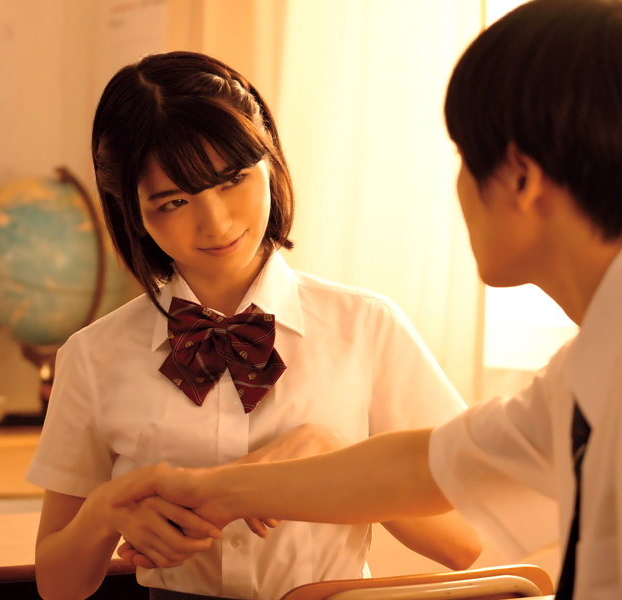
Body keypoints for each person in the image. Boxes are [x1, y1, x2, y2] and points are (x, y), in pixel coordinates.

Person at [110, 0, 622, 598]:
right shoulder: (616, 348)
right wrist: (211, 490)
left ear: (521, 177)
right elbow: (426, 467)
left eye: (463, 157)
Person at [25, 51, 482, 600]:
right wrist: (104, 512)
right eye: (174, 201)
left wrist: (338, 461)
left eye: (232, 180)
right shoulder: (92, 356)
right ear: (132, 213)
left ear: (270, 161)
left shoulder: (366, 327)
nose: (215, 222)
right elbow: (58, 585)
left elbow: (465, 541)